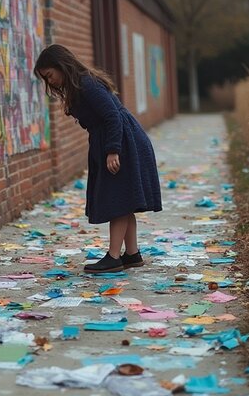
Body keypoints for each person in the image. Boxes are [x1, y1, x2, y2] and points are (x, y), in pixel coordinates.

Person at [34, 44, 162, 273]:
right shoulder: (80, 86)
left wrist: (113, 150)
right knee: (125, 199)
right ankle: (132, 254)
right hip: (118, 139)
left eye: (50, 75)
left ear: (62, 66)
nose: (50, 82)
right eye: (46, 78)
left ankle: (113, 257)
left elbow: (113, 116)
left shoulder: (87, 84)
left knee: (118, 201)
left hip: (123, 141)